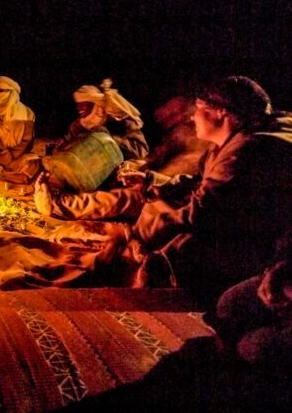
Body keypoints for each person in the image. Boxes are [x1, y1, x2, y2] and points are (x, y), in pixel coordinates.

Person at [101, 76, 292, 308]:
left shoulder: (245, 152)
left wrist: (140, 234)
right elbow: (198, 182)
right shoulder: (229, 143)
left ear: (222, 112)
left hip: (262, 248)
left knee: (178, 243)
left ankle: (148, 304)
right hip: (235, 228)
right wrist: (151, 180)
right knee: (157, 211)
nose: (193, 116)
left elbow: (201, 212)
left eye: (199, 109)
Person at [59, 78, 148, 160]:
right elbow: (64, 148)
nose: (79, 109)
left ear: (97, 105)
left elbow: (141, 151)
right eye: (78, 105)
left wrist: (108, 138)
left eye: (84, 105)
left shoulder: (121, 121)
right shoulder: (78, 126)